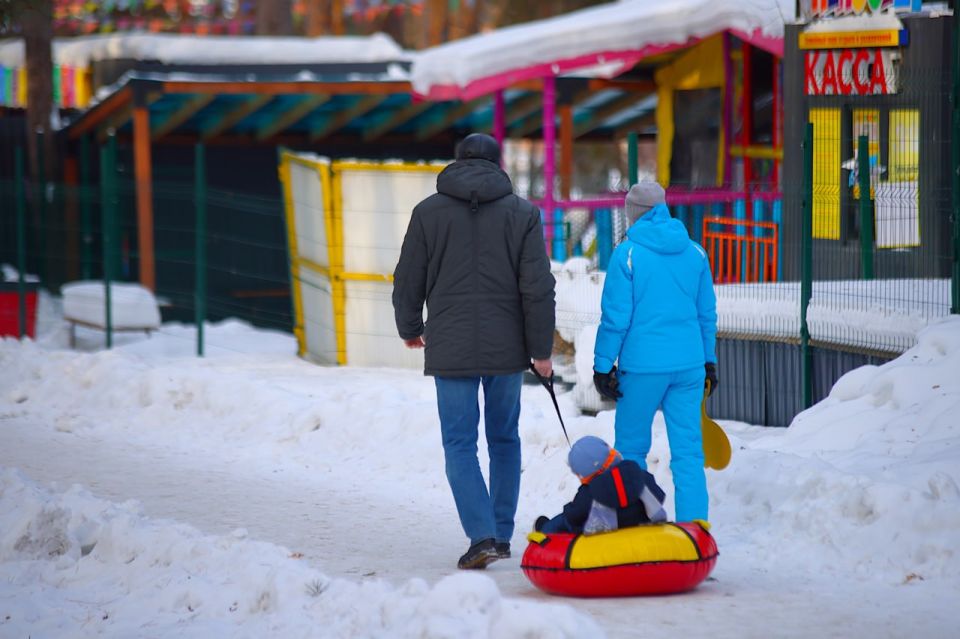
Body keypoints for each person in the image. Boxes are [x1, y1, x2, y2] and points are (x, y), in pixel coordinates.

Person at [392, 133, 556, 570]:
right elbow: (538, 288)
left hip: (451, 345)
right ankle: (500, 534)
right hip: (508, 349)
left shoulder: (428, 213)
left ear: (458, 162)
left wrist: (410, 327)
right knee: (505, 439)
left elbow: (408, 277)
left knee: (460, 443)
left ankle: (481, 534)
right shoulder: (523, 213)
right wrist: (541, 350)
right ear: (497, 163)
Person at [592, 181, 718, 523]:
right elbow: (706, 314)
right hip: (690, 366)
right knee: (689, 454)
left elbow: (616, 318)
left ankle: (634, 525)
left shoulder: (628, 254)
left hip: (643, 369)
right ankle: (697, 530)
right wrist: (709, 361)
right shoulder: (695, 252)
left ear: (633, 214)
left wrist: (603, 366)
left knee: (632, 450)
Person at [535, 435, 666, 535]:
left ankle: (545, 530)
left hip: (606, 533)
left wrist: (568, 510)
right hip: (639, 526)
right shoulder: (640, 475)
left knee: (564, 520)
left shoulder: (590, 492)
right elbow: (659, 496)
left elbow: (574, 515)